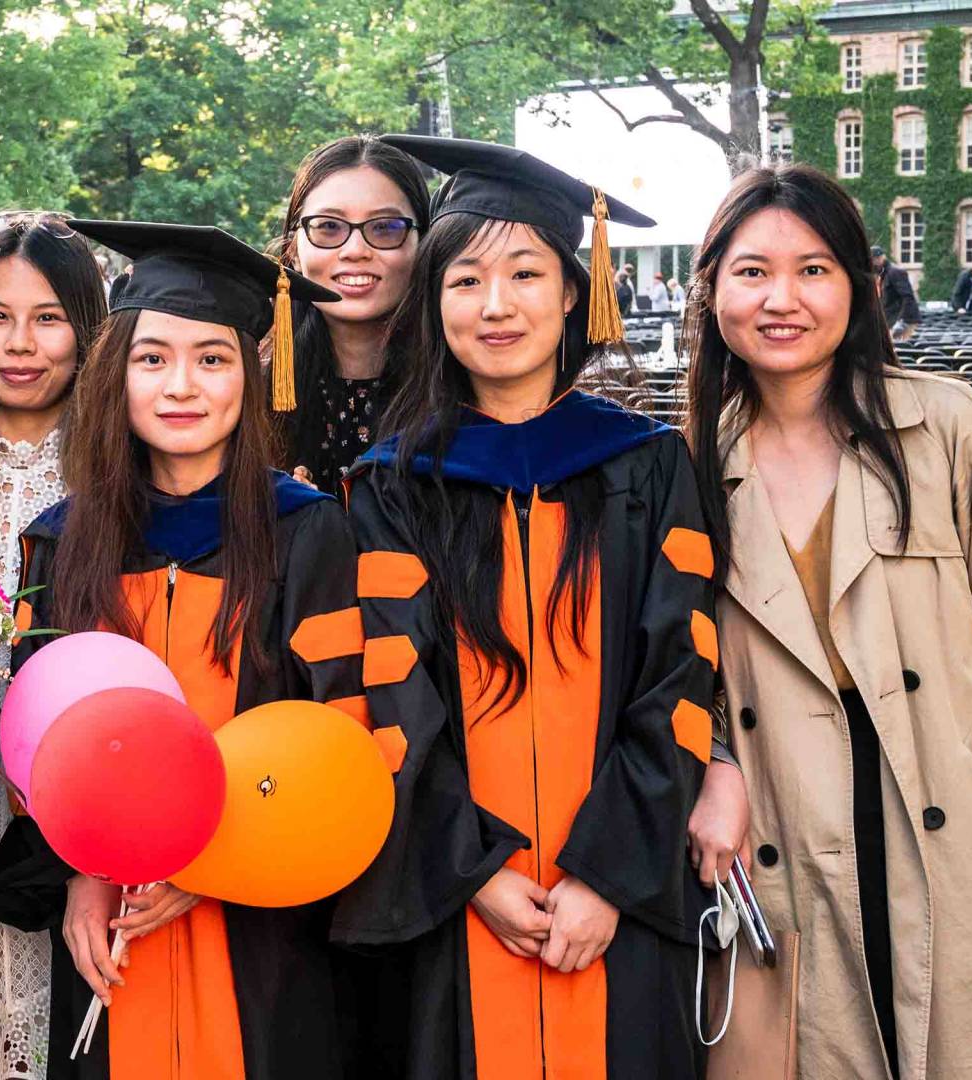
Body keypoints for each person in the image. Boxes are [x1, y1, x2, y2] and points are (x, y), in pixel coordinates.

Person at [681, 164, 972, 1078]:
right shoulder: (690, 463)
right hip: (786, 828)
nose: (783, 299)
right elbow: (684, 666)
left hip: (952, 820)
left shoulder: (948, 429)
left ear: (859, 289)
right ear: (712, 294)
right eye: (752, 272)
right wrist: (716, 760)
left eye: (814, 270)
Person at [332, 137, 715, 1078]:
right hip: (464, 901)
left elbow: (682, 671)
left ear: (575, 292)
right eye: (465, 281)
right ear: (434, 303)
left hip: (616, 903)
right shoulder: (391, 485)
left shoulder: (647, 465)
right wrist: (478, 872)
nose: (496, 305)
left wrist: (606, 875)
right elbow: (392, 690)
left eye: (526, 274)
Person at [0, 221, 366, 1079]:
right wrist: (78, 873)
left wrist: (222, 857)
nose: (181, 385)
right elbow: (39, 741)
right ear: (116, 375)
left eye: (212, 359)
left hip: (259, 919)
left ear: (254, 373)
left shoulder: (309, 533)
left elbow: (342, 728)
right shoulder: (61, 542)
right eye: (152, 359)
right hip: (112, 917)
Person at [0, 209, 106, 1078]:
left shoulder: (117, 478)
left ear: (89, 333)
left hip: (71, 802)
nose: (20, 344)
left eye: (48, 318)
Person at [275, 135, 430, 491]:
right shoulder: (247, 397)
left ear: (423, 245)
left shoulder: (459, 399)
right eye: (328, 227)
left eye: (386, 228)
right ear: (293, 250)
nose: (355, 250)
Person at [870, 246, 920, 341]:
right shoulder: (883, 274)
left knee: (899, 349)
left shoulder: (895, 272)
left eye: (872, 260)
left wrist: (901, 321)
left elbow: (907, 297)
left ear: (879, 258)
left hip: (903, 321)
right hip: (892, 320)